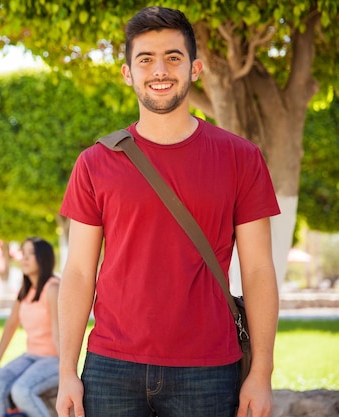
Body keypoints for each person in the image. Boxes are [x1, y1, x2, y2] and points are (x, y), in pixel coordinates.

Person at [56, 6, 280, 417]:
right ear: (128, 73)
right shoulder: (94, 162)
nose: (160, 70)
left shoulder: (240, 157)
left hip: (209, 369)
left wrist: (261, 372)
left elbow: (259, 270)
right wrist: (67, 370)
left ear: (195, 69)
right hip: (110, 366)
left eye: (173, 57)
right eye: (146, 59)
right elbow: (78, 272)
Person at [0, 237, 60, 417]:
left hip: (54, 359)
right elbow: (10, 326)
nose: (24, 259)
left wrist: (68, 370)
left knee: (21, 390)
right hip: (30, 356)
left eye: (30, 254)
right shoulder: (25, 291)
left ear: (43, 258)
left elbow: (60, 332)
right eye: (22, 253)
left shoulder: (53, 288)